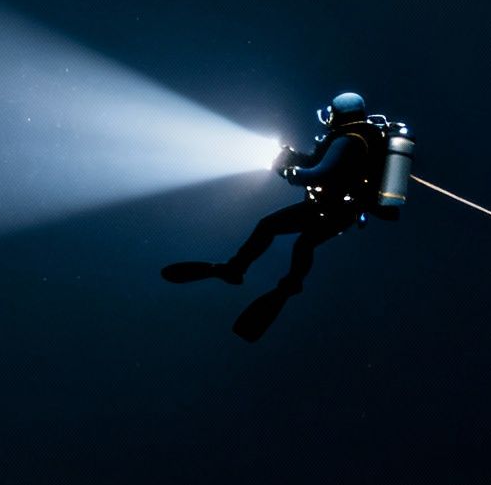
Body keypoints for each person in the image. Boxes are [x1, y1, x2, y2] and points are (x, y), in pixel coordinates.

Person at [162, 92, 392, 342]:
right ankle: (277, 283)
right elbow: (319, 163)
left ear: (340, 115)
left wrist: (288, 171)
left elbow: (319, 174)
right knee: (302, 243)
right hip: (340, 209)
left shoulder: (348, 140)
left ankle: (243, 271)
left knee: (277, 230)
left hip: (332, 210)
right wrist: (293, 155)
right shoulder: (360, 137)